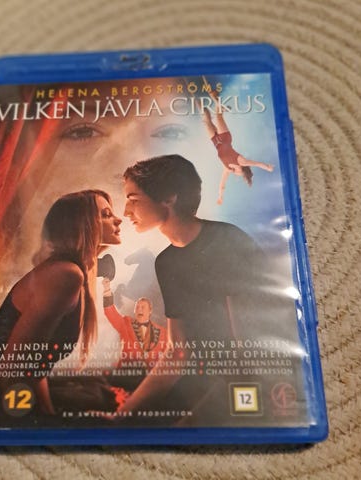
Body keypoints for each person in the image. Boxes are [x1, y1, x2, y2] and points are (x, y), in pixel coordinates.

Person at [120, 154, 287, 424]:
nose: (126, 212)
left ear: (169, 198)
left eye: (133, 200)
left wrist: (192, 421)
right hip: (214, 377)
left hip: (262, 380)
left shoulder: (226, 240)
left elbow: (245, 349)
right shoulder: (166, 262)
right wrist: (121, 416)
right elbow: (177, 352)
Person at [0, 189, 122, 415]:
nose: (118, 219)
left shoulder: (76, 272)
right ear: (80, 225)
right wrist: (30, 422)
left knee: (99, 394)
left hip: (12, 389)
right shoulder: (65, 275)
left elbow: (35, 367)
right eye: (106, 214)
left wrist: (49, 414)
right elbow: (12, 367)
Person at [201, 90, 274, 205]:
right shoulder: (242, 162)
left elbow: (222, 184)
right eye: (241, 175)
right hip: (225, 138)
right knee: (218, 116)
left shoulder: (227, 169)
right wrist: (267, 167)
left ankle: (213, 107)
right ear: (242, 171)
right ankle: (215, 97)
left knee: (207, 122)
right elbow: (256, 163)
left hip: (215, 142)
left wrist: (220, 197)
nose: (237, 175)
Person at [102, 277, 167, 389]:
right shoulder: (126, 323)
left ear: (150, 311)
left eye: (143, 307)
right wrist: (107, 289)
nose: (139, 310)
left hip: (147, 383)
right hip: (123, 378)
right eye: (137, 307)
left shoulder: (164, 333)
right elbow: (110, 312)